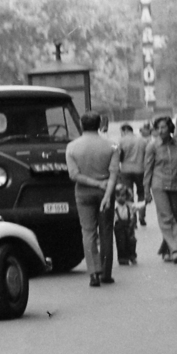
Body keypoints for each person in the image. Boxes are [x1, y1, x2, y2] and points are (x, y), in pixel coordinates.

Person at [66, 110, 119, 286]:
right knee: (106, 231)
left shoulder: (72, 147)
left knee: (88, 232)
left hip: (83, 193)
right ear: (99, 125)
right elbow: (114, 174)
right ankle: (106, 273)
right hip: (106, 191)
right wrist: (107, 193)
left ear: (82, 125)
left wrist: (93, 183)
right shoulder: (112, 146)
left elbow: (74, 175)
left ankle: (94, 273)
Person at [144, 114, 177, 262]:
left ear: (170, 127)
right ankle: (176, 249)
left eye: (163, 127)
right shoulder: (152, 146)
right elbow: (148, 169)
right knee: (167, 218)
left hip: (176, 185)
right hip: (159, 185)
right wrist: (146, 190)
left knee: (173, 218)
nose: (160, 130)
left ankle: (166, 250)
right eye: (158, 128)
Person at [117, 122, 148, 224]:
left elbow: (119, 157)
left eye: (121, 132)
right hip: (140, 170)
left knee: (128, 194)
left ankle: (132, 217)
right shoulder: (143, 140)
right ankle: (142, 216)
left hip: (125, 171)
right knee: (141, 193)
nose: (121, 134)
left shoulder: (121, 141)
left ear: (125, 130)